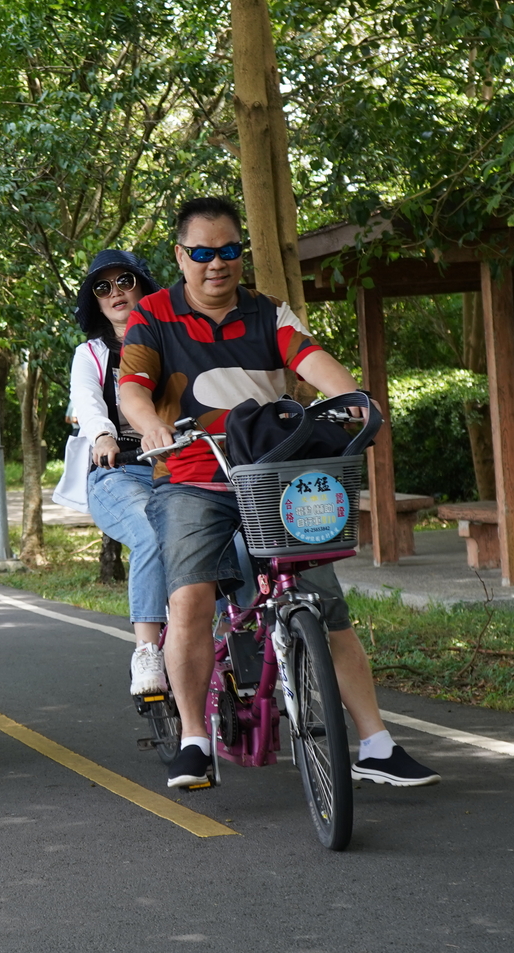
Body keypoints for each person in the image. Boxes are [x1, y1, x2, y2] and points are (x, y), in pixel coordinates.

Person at [117, 197, 440, 790]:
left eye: (229, 251)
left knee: (327, 605)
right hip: (192, 474)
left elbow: (311, 358)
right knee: (189, 599)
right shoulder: (154, 316)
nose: (218, 264)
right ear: (180, 256)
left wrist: (353, 399)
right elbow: (133, 387)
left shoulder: (268, 313)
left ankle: (376, 744)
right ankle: (194, 740)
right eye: (203, 253)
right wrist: (150, 425)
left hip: (273, 474)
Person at [67, 249, 170, 695]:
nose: (116, 292)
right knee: (151, 533)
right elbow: (90, 407)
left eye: (125, 281)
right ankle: (147, 649)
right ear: (95, 301)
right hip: (119, 471)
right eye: (102, 287)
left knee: (234, 535)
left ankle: (234, 636)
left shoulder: (173, 339)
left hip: (179, 466)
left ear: (143, 286)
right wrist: (104, 437)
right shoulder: (89, 355)